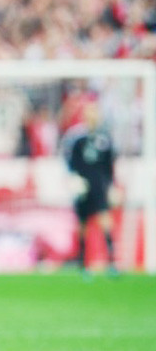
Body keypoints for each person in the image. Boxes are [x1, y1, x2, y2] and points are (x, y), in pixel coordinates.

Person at [65, 101, 118, 276]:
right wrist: (74, 180)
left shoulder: (105, 139)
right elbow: (71, 163)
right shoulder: (77, 138)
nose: (92, 116)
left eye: (95, 113)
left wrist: (111, 186)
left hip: (100, 186)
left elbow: (110, 166)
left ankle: (111, 263)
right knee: (83, 224)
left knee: (105, 221)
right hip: (83, 187)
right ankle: (82, 264)